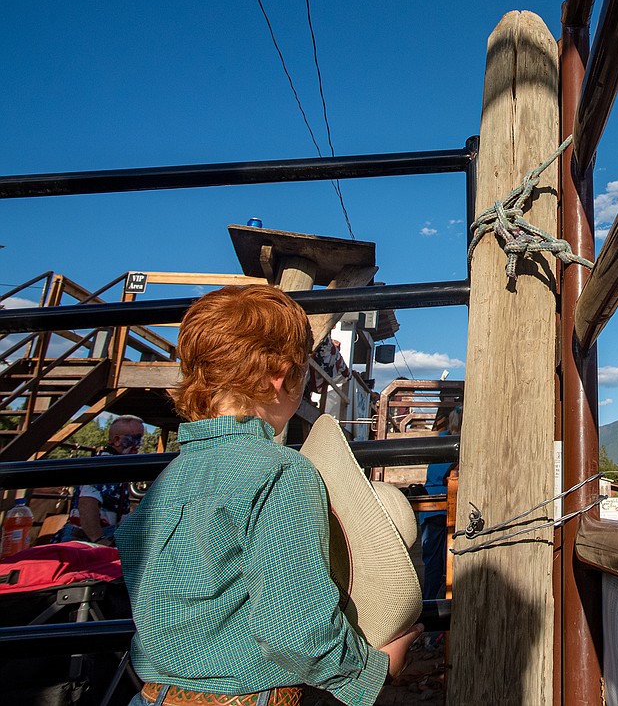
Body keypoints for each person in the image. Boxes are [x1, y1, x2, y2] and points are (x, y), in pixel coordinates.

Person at [116, 286, 422, 706]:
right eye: (305, 370)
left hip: (151, 694)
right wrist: (374, 668)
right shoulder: (281, 471)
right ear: (280, 376)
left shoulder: (172, 476)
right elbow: (295, 629)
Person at [53, 414, 144, 546]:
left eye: (140, 440)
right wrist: (98, 539)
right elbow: (87, 503)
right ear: (117, 440)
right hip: (86, 538)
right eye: (134, 439)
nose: (138, 445)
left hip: (103, 534)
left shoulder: (117, 467)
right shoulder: (104, 466)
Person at [419, 406, 459, 602]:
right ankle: (446, 600)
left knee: (432, 559)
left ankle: (429, 601)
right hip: (450, 506)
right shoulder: (459, 445)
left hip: (430, 507)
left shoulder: (440, 439)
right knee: (451, 556)